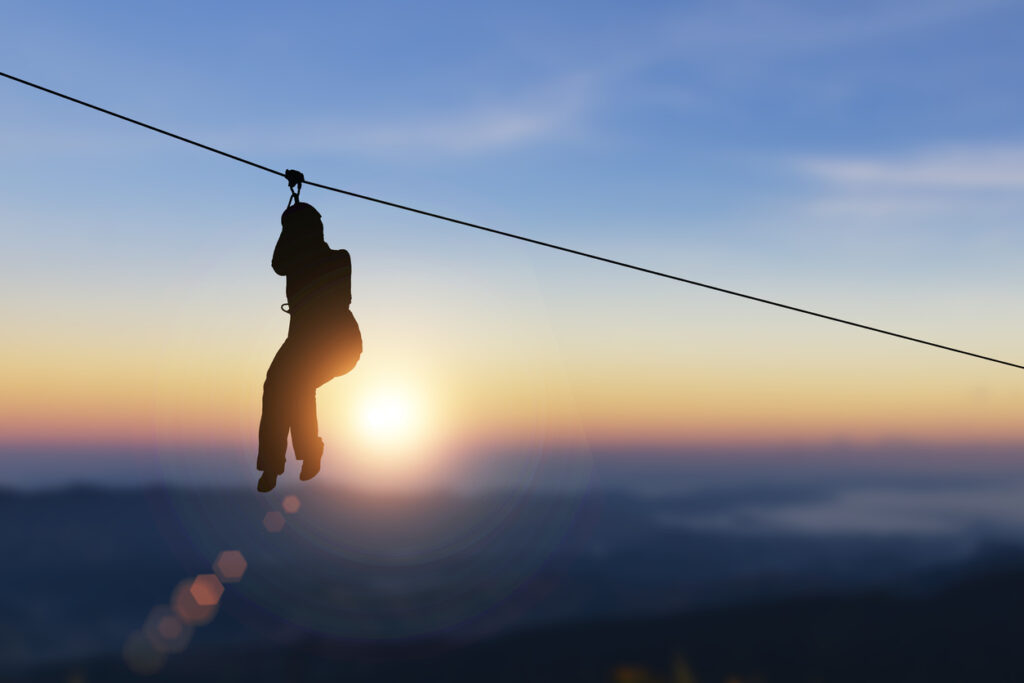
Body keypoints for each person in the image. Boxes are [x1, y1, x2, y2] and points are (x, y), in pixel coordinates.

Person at [257, 202, 362, 492]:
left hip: (335, 344)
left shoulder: (337, 259)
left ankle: (299, 456)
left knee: (295, 384)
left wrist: (288, 225)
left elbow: (280, 264)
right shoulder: (301, 259)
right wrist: (288, 222)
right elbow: (279, 265)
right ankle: (273, 464)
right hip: (306, 343)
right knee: (278, 385)